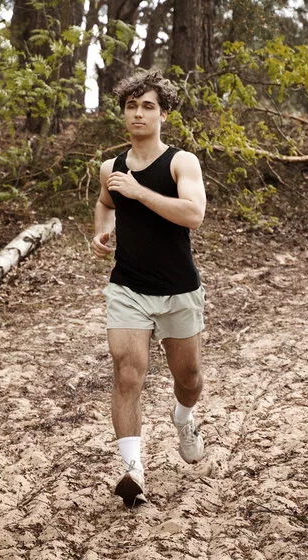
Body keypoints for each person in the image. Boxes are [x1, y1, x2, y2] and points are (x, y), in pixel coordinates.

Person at [91, 70, 207, 507]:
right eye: (131, 106)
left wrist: (139, 193)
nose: (138, 114)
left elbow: (193, 214)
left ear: (163, 114)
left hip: (178, 289)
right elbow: (105, 204)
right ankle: (133, 469)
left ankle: (184, 417)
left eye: (148, 106)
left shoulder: (181, 162)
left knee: (190, 379)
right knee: (127, 371)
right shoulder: (111, 168)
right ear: (123, 113)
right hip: (128, 287)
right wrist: (101, 233)